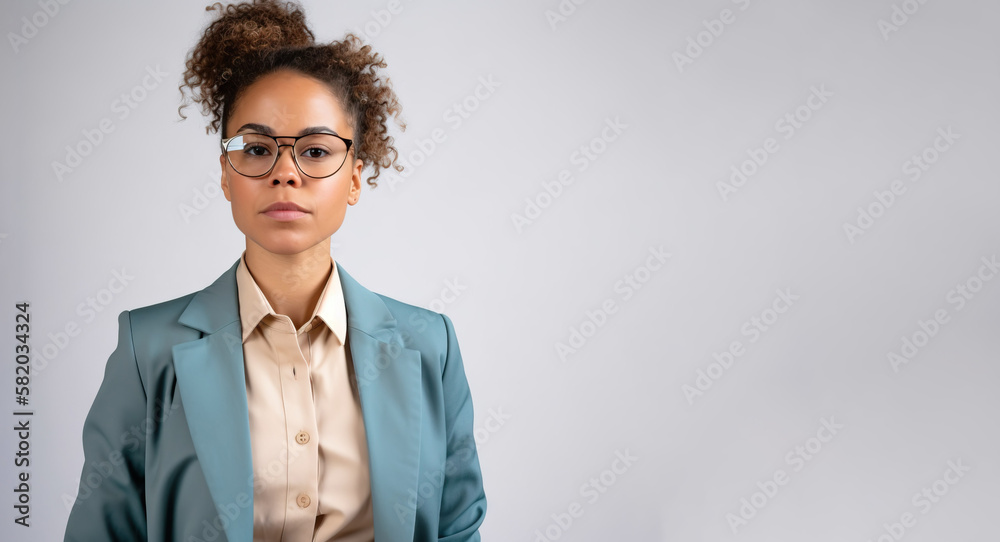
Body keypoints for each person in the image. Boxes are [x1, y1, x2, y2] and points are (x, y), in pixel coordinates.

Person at [63, 1, 487, 540]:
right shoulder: (148, 350)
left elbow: (456, 526)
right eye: (258, 148)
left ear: (355, 178)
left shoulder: (432, 346)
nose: (285, 172)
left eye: (315, 151)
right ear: (225, 175)